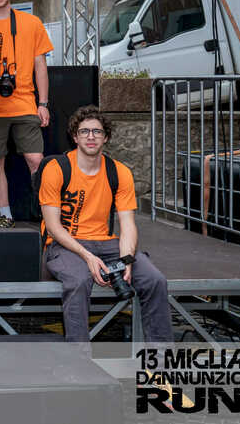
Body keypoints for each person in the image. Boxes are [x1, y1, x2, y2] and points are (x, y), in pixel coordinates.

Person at [40, 106, 172, 343]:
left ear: (106, 137)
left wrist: (126, 259)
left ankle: (160, 361)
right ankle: (79, 361)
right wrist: (88, 257)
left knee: (154, 280)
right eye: (84, 131)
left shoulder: (119, 172)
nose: (91, 137)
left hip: (105, 242)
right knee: (79, 281)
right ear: (75, 137)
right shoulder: (56, 168)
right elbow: (53, 227)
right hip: (65, 244)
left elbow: (128, 225)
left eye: (97, 132)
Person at [0, 0, 53, 228]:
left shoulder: (31, 23)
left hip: (24, 101)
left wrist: (43, 103)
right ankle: (6, 215)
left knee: (36, 160)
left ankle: (48, 215)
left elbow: (40, 65)